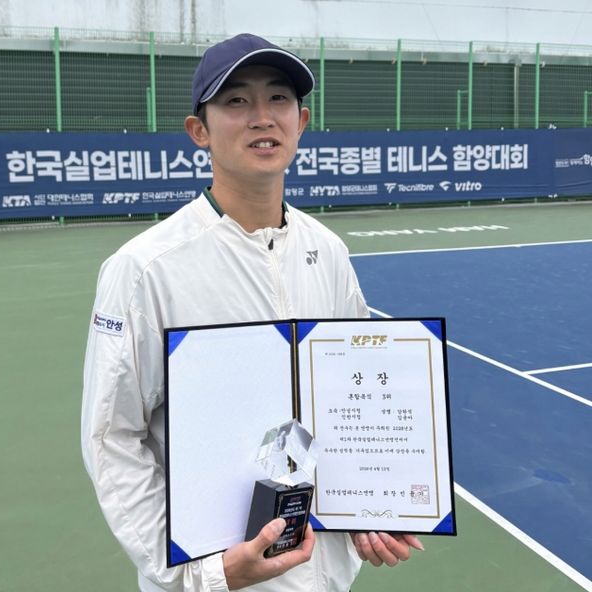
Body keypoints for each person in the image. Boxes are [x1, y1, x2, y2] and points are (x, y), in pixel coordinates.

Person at [81, 33, 423, 592]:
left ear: (301, 121)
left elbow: (350, 402)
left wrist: (370, 505)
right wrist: (201, 574)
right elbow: (111, 437)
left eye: (278, 98)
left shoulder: (328, 251)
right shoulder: (145, 269)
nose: (262, 117)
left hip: (325, 575)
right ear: (199, 131)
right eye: (236, 100)